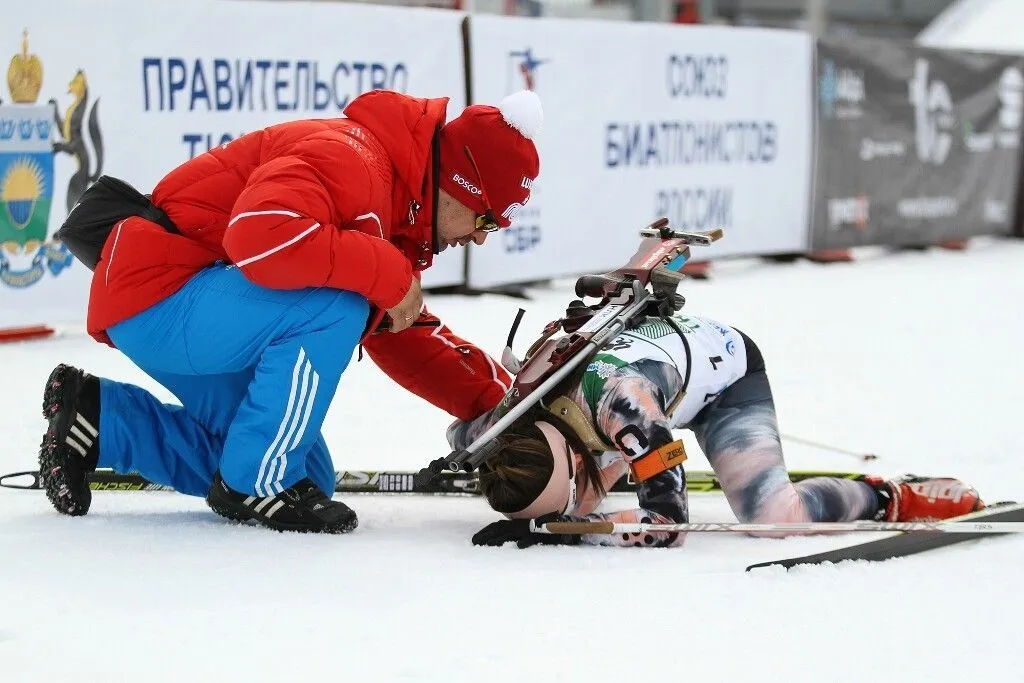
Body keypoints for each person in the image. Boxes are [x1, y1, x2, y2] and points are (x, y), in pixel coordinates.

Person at [38, 88, 544, 534]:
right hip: (161, 293)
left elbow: (400, 330)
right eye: (486, 218)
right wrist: (386, 274)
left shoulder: (394, 203)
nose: (480, 235)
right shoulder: (353, 158)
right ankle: (257, 483)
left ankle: (104, 422)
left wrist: (504, 403)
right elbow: (258, 234)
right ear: (460, 183)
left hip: (184, 307)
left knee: (306, 472)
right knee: (335, 307)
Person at [447, 312, 985, 548]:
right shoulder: (512, 420)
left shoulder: (626, 411)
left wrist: (560, 532)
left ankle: (892, 495)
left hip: (726, 380)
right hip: (651, 379)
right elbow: (464, 435)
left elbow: (669, 524)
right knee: (585, 503)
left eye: (562, 496)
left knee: (775, 518)